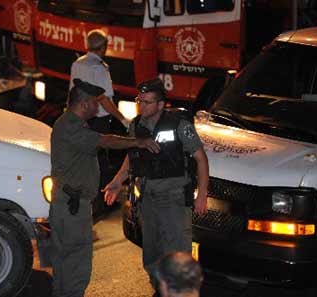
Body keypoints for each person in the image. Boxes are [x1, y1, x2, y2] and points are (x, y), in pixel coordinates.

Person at [49, 78, 159, 297]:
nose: (98, 107)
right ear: (84, 104)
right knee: (76, 263)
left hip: (67, 204)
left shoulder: (69, 123)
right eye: (95, 103)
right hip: (72, 207)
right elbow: (105, 141)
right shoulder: (71, 127)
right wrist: (138, 142)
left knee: (64, 261)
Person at [103, 78, 209, 290]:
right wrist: (116, 181)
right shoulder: (136, 125)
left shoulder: (180, 125)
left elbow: (201, 158)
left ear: (161, 104)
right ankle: (158, 288)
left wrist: (202, 195)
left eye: (147, 102)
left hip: (174, 197)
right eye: (139, 100)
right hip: (147, 197)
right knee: (152, 251)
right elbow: (132, 156)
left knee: (177, 253)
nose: (141, 106)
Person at [70, 29, 131, 214]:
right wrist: (123, 120)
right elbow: (105, 100)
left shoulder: (77, 64)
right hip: (99, 122)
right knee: (101, 162)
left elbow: (72, 93)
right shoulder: (100, 69)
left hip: (82, 119)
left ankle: (83, 200)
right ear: (104, 48)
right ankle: (103, 202)